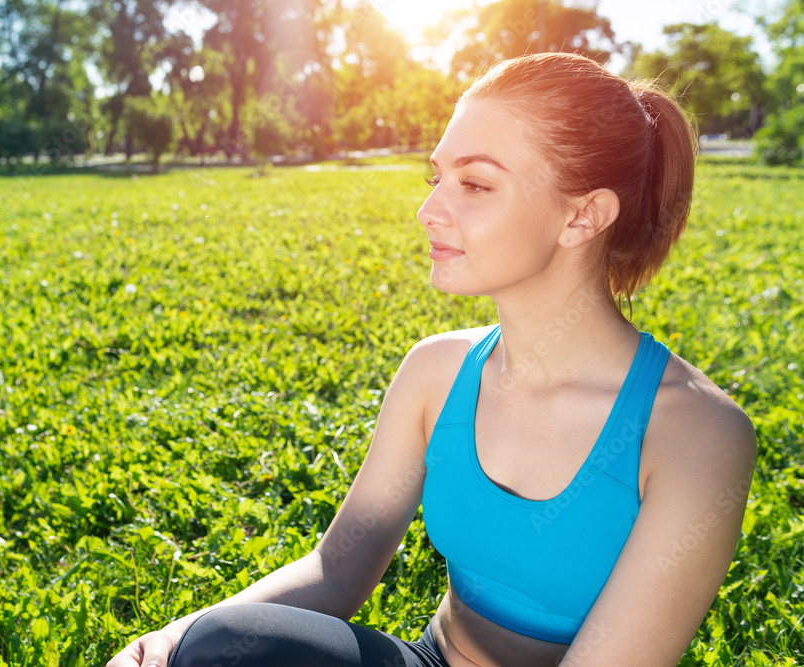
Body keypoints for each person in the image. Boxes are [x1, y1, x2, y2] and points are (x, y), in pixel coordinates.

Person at [106, 52, 758, 667]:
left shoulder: (696, 434)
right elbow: (338, 568)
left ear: (583, 215)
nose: (427, 210)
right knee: (217, 644)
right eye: (436, 176)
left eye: (475, 183)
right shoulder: (437, 371)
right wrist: (171, 640)